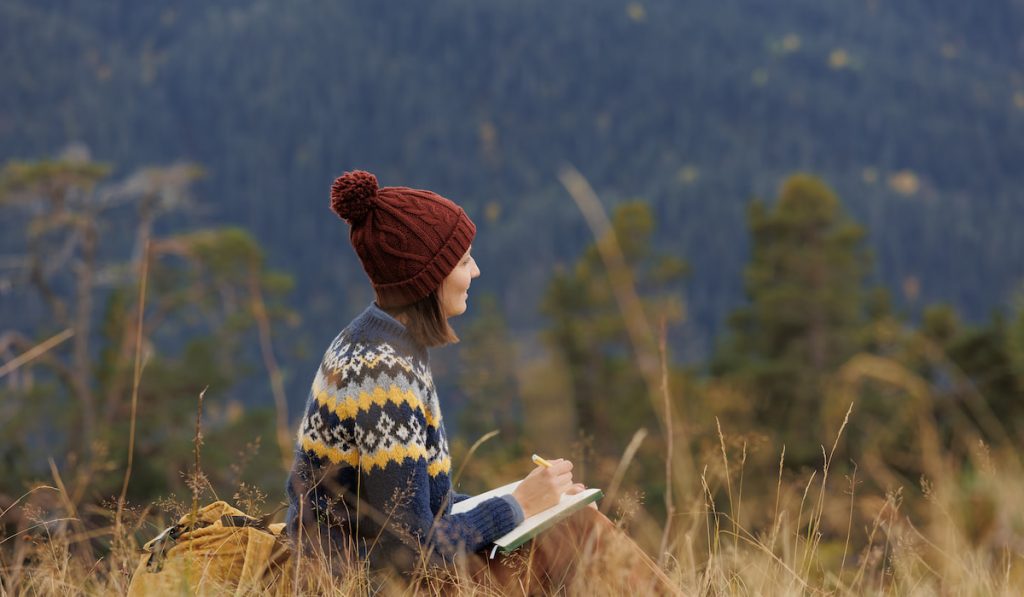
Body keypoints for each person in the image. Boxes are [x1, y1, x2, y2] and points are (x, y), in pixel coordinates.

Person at [285, 170, 676, 593]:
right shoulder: (384, 374)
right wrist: (519, 505)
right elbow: (406, 554)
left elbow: (419, 510)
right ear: (428, 274)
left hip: (365, 567)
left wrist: (539, 502)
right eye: (464, 260)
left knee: (569, 520)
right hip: (364, 582)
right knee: (577, 531)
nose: (475, 270)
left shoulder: (375, 341)